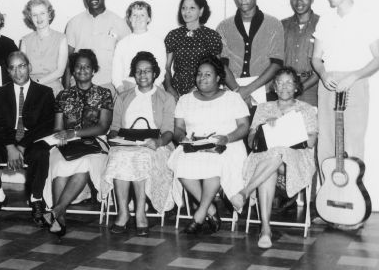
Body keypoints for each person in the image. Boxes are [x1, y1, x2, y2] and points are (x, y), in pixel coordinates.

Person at [231, 67, 318, 248]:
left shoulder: (306, 109)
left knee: (280, 151)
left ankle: (245, 192)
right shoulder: (263, 108)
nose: (284, 86)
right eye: (280, 82)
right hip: (265, 158)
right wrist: (264, 128)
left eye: (289, 82)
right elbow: (251, 140)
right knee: (273, 158)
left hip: (297, 159)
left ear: (296, 87)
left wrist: (286, 130)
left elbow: (311, 142)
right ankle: (265, 229)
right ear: (275, 88)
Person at [167, 55, 249, 235]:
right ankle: (210, 209)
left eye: (207, 74)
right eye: (199, 74)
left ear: (218, 77)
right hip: (194, 145)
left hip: (227, 145)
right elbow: (178, 129)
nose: (201, 78)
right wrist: (183, 139)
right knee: (180, 163)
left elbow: (244, 127)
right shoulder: (185, 99)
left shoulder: (232, 98)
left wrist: (227, 138)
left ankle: (200, 214)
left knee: (215, 165)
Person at [312, 0, 379, 188]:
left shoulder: (365, 18)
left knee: (352, 142)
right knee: (327, 143)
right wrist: (323, 74)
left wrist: (355, 76)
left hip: (355, 84)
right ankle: (329, 198)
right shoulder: (325, 21)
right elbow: (316, 59)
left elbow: (377, 59)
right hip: (328, 85)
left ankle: (352, 199)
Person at [102, 51, 176, 237]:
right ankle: (123, 212)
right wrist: (113, 137)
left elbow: (169, 131)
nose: (143, 75)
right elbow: (115, 127)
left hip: (155, 144)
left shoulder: (166, 98)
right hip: (126, 144)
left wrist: (158, 141)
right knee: (119, 156)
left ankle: (140, 212)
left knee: (141, 156)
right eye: (138, 71)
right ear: (133, 74)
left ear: (155, 73)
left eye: (147, 71)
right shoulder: (123, 97)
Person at [0, 51, 55, 225]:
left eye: (21, 66)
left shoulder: (45, 92)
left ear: (29, 67)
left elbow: (47, 125)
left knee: (41, 153)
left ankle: (36, 200)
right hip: (7, 140)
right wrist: (10, 146)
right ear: (8, 71)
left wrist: (23, 145)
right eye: (12, 68)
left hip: (32, 140)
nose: (17, 72)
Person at [42, 49, 113, 237]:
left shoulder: (104, 93)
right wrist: (63, 137)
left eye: (87, 67)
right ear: (73, 70)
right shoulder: (63, 95)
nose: (82, 70)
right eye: (78, 67)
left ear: (93, 70)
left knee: (84, 164)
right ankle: (59, 215)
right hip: (67, 142)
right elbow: (58, 127)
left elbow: (103, 127)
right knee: (58, 163)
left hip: (95, 143)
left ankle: (57, 211)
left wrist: (74, 132)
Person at [216, 0, 284, 106]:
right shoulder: (224, 26)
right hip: (231, 93)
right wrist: (237, 90)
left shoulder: (274, 24)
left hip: (265, 93)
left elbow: (276, 63)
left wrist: (247, 90)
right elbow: (221, 63)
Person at [65, 0, 130, 93]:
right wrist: (66, 92)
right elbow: (67, 62)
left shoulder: (119, 23)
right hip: (79, 85)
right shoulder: (74, 23)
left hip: (110, 85)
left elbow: (127, 60)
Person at [164, 0, 222, 100]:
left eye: (192, 8)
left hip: (202, 88)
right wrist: (169, 88)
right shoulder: (173, 35)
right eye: (184, 8)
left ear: (201, 11)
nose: (187, 12)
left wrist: (196, 88)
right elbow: (167, 67)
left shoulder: (211, 36)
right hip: (176, 91)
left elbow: (217, 68)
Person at [112, 1, 166, 93]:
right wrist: (123, 93)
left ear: (148, 18)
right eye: (134, 15)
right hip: (128, 88)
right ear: (129, 18)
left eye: (142, 15)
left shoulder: (157, 42)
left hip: (153, 88)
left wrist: (150, 91)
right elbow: (116, 75)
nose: (138, 18)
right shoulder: (122, 44)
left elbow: (161, 72)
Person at [281, 0, 320, 106]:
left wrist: (300, 87)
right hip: (285, 87)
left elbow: (325, 63)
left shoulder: (322, 25)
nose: (299, 2)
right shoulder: (282, 25)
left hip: (313, 87)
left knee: (311, 124)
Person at [20, 0, 68, 96]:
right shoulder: (25, 41)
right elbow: (22, 70)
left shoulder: (61, 39)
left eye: (42, 13)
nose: (39, 18)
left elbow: (60, 72)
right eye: (34, 15)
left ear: (49, 15)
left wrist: (37, 83)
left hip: (53, 89)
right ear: (30, 17)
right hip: (30, 90)